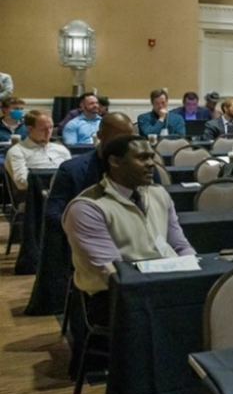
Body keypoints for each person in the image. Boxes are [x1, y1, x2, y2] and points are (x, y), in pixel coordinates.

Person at [63, 135, 195, 303]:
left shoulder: (158, 193)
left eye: (151, 157)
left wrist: (195, 273)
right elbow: (111, 271)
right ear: (115, 162)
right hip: (116, 295)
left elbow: (180, 245)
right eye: (142, 158)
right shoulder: (88, 207)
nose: (151, 164)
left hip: (168, 281)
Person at [44, 113, 144, 231]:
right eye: (116, 139)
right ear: (100, 136)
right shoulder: (71, 170)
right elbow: (53, 215)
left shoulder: (142, 168)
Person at [4, 111, 71, 192]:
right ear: (30, 129)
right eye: (43, 129)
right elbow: (21, 183)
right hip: (35, 196)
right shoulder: (17, 152)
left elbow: (73, 173)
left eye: (51, 127)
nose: (49, 132)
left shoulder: (61, 149)